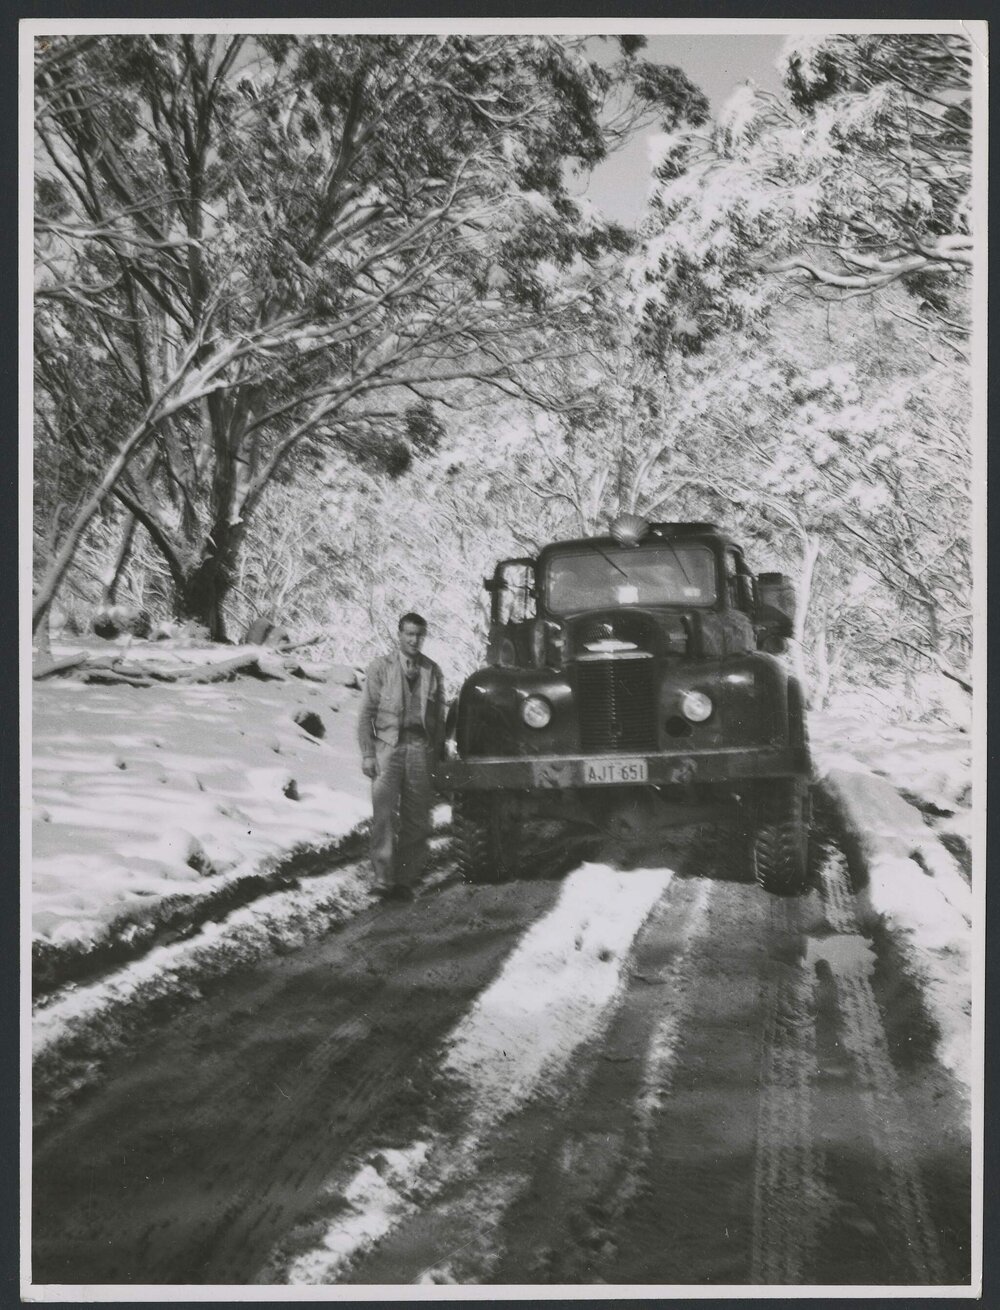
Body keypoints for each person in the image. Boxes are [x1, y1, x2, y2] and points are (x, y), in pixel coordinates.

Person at [357, 612, 446, 901]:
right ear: (399, 634)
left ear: (424, 636)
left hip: (420, 748)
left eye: (419, 634)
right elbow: (365, 715)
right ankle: (383, 879)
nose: (414, 640)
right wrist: (368, 754)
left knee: (418, 817)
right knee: (383, 814)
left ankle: (406, 880)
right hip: (387, 747)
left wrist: (439, 755)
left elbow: (439, 719)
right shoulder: (380, 668)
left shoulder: (433, 670)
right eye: (409, 634)